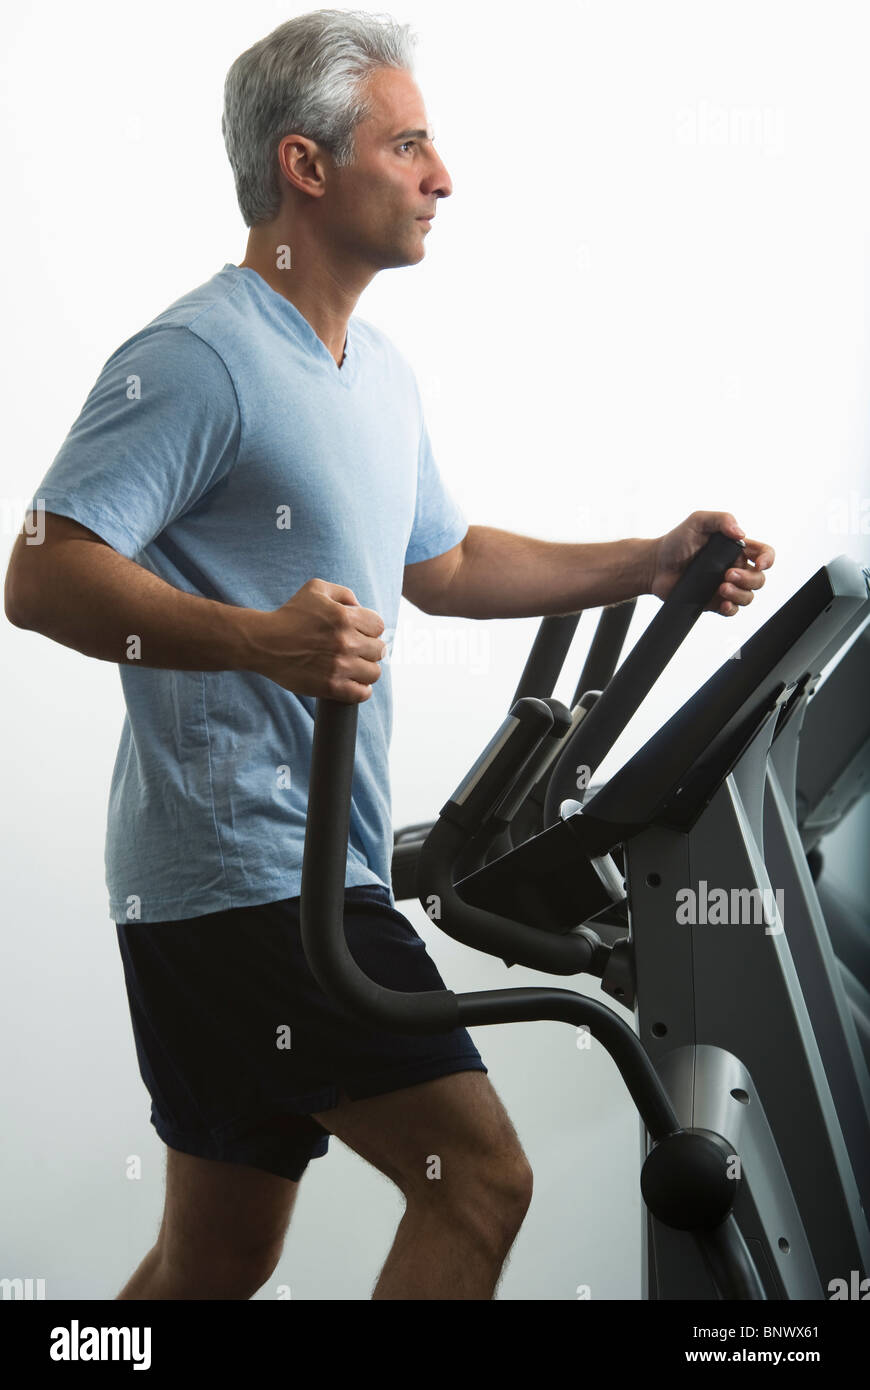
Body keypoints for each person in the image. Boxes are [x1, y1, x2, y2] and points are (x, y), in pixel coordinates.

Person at [3, 9, 774, 1301]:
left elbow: (445, 563)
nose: (442, 175)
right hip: (252, 874)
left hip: (255, 885)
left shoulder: (376, 370)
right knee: (478, 1179)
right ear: (306, 167)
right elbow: (39, 571)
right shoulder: (201, 356)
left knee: (213, 1260)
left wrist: (646, 557)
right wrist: (261, 641)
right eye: (407, 144)